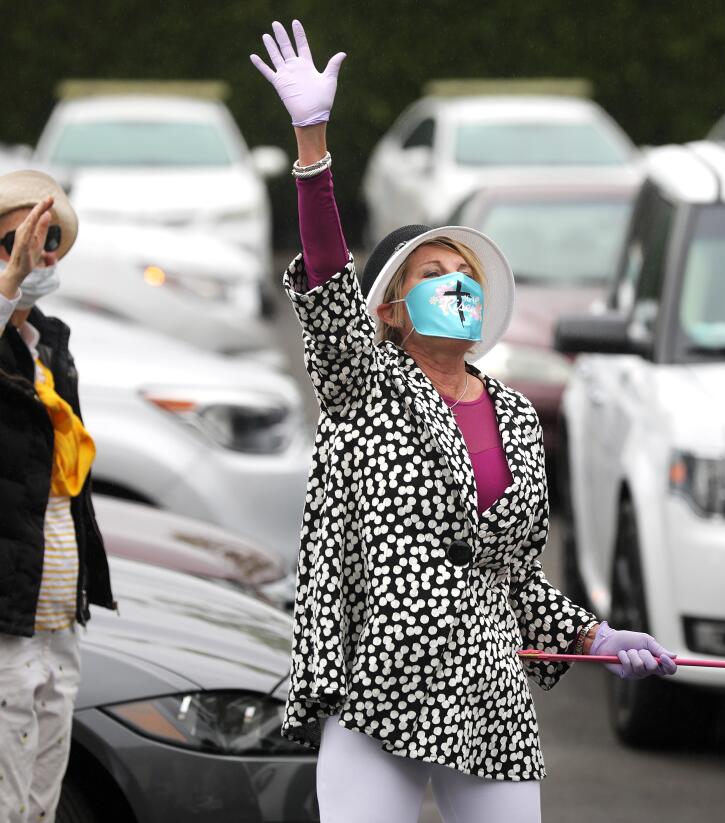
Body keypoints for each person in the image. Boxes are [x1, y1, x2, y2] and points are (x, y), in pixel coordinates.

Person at [250, 20, 677, 823]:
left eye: (465, 275)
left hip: (491, 704)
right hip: (379, 694)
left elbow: (509, 578)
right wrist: (313, 145)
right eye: (434, 274)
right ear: (392, 310)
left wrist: (598, 638)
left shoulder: (513, 415)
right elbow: (328, 281)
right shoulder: (367, 387)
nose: (457, 285)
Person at [0, 171, 116, 823]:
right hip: (6, 625)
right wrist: (7, 281)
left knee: (40, 805)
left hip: (57, 618)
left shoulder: (50, 348)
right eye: (13, 241)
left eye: (45, 239)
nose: (34, 255)